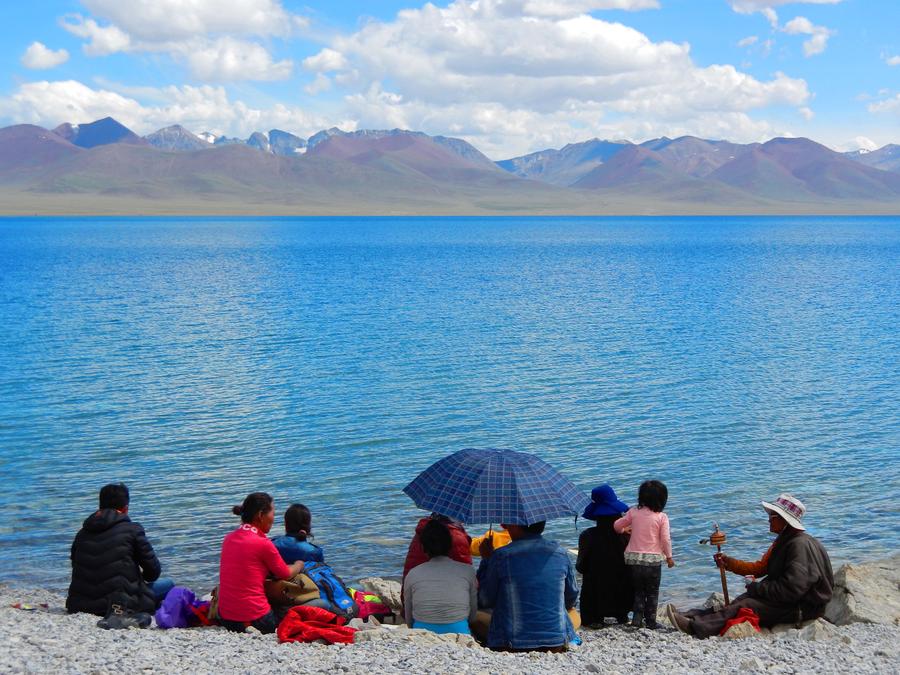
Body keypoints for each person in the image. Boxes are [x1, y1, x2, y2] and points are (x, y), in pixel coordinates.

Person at [666, 493, 834, 639]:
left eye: (772, 516)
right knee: (742, 599)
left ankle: (696, 628)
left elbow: (791, 590)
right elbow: (760, 568)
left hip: (802, 608)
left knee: (746, 605)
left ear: (784, 521)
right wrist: (729, 563)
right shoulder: (786, 541)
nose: (769, 519)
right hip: (794, 601)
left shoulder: (798, 546)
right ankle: (692, 615)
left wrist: (756, 588)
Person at [67, 483, 173, 616]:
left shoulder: (82, 533)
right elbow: (153, 573)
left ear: (100, 506)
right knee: (169, 584)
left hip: (79, 605)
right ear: (125, 508)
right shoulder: (133, 530)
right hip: (119, 605)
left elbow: (76, 566)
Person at [476, 521, 579, 652]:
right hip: (555, 643)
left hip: (511, 643)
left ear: (516, 526)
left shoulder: (500, 556)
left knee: (476, 615)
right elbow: (571, 598)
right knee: (573, 613)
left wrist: (486, 560)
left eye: (509, 523)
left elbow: (485, 600)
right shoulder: (560, 553)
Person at [217, 492, 304, 633]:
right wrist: (299, 565)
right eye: (272, 514)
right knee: (294, 607)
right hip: (256, 619)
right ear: (260, 515)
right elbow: (285, 573)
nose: (274, 519)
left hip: (225, 617)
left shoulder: (228, 538)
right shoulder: (263, 543)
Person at [613, 480, 675, 629]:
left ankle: (636, 620)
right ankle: (651, 622)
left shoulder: (633, 512)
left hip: (633, 559)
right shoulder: (662, 517)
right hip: (653, 561)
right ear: (662, 499)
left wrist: (623, 531)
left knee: (639, 591)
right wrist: (669, 557)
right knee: (652, 592)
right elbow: (665, 539)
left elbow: (616, 525)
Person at [403, 519, 478, 634]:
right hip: (459, 632)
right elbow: (472, 617)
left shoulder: (413, 573)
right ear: (450, 546)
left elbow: (409, 619)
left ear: (423, 548)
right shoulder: (468, 571)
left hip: (422, 632)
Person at [577, 484, 633, 626]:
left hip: (596, 600)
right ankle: (622, 616)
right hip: (622, 598)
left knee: (592, 578)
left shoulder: (587, 535)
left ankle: (595, 619)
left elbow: (580, 567)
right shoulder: (626, 536)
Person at [402, 513, 472, 580]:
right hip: (438, 587)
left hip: (411, 585)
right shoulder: (456, 537)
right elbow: (466, 573)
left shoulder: (425, 528)